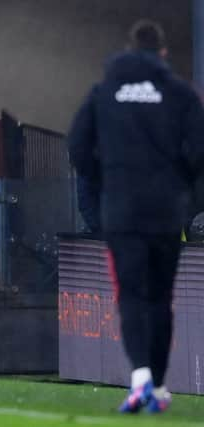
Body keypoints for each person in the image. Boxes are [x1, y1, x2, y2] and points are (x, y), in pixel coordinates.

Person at [68, 20, 204, 414]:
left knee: (130, 294)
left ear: (130, 49)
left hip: (122, 210)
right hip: (165, 210)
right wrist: (178, 184)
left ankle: (140, 377)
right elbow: (199, 151)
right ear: (163, 53)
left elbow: (77, 149)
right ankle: (159, 387)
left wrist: (107, 181)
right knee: (161, 297)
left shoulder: (104, 91)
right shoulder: (179, 93)